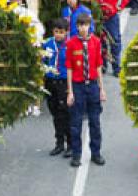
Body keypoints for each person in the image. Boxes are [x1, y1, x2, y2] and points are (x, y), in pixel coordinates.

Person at [66, 13, 106, 169]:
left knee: (95, 122)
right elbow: (69, 68)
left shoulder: (96, 42)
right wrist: (70, 91)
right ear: (76, 26)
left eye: (85, 25)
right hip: (78, 86)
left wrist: (102, 89)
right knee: (76, 123)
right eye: (80, 25)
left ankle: (96, 153)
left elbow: (97, 66)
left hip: (92, 86)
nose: (83, 28)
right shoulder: (71, 44)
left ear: (90, 26)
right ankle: (76, 154)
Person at [91, 0, 130, 76]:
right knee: (101, 41)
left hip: (111, 18)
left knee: (114, 41)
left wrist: (119, 7)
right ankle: (103, 65)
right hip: (99, 18)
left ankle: (116, 66)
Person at [42, 18, 72, 157]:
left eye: (61, 32)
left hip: (64, 82)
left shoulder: (70, 45)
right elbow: (42, 61)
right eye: (56, 32)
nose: (58, 35)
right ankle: (59, 143)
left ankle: (70, 144)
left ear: (67, 32)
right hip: (50, 82)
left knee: (65, 113)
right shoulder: (47, 44)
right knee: (54, 113)